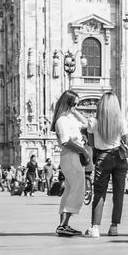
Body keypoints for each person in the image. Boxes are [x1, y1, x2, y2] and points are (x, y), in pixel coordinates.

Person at [51, 89, 95, 236]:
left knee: (70, 190)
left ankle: (64, 225)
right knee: (78, 190)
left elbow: (87, 124)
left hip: (73, 157)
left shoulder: (70, 118)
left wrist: (75, 111)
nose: (76, 106)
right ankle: (63, 225)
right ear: (67, 103)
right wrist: (83, 151)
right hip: (71, 156)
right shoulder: (62, 120)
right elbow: (65, 141)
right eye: (74, 104)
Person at [88, 92, 128, 237]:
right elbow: (125, 139)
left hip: (103, 157)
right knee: (118, 194)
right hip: (119, 157)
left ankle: (95, 227)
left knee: (99, 193)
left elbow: (91, 143)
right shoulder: (121, 121)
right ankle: (114, 227)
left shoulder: (93, 122)